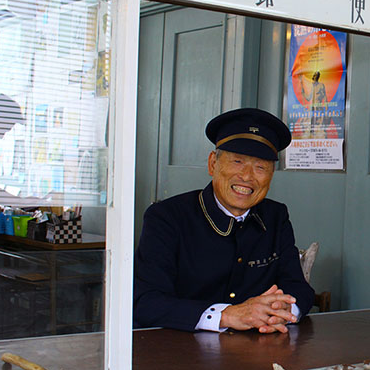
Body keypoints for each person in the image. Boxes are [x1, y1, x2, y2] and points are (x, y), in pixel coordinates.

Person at [133, 108, 315, 333]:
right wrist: (227, 315)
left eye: (261, 167)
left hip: (257, 353)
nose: (247, 176)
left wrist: (282, 311)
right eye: (237, 162)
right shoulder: (167, 217)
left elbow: (299, 288)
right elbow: (146, 302)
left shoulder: (275, 216)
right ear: (212, 164)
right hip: (179, 355)